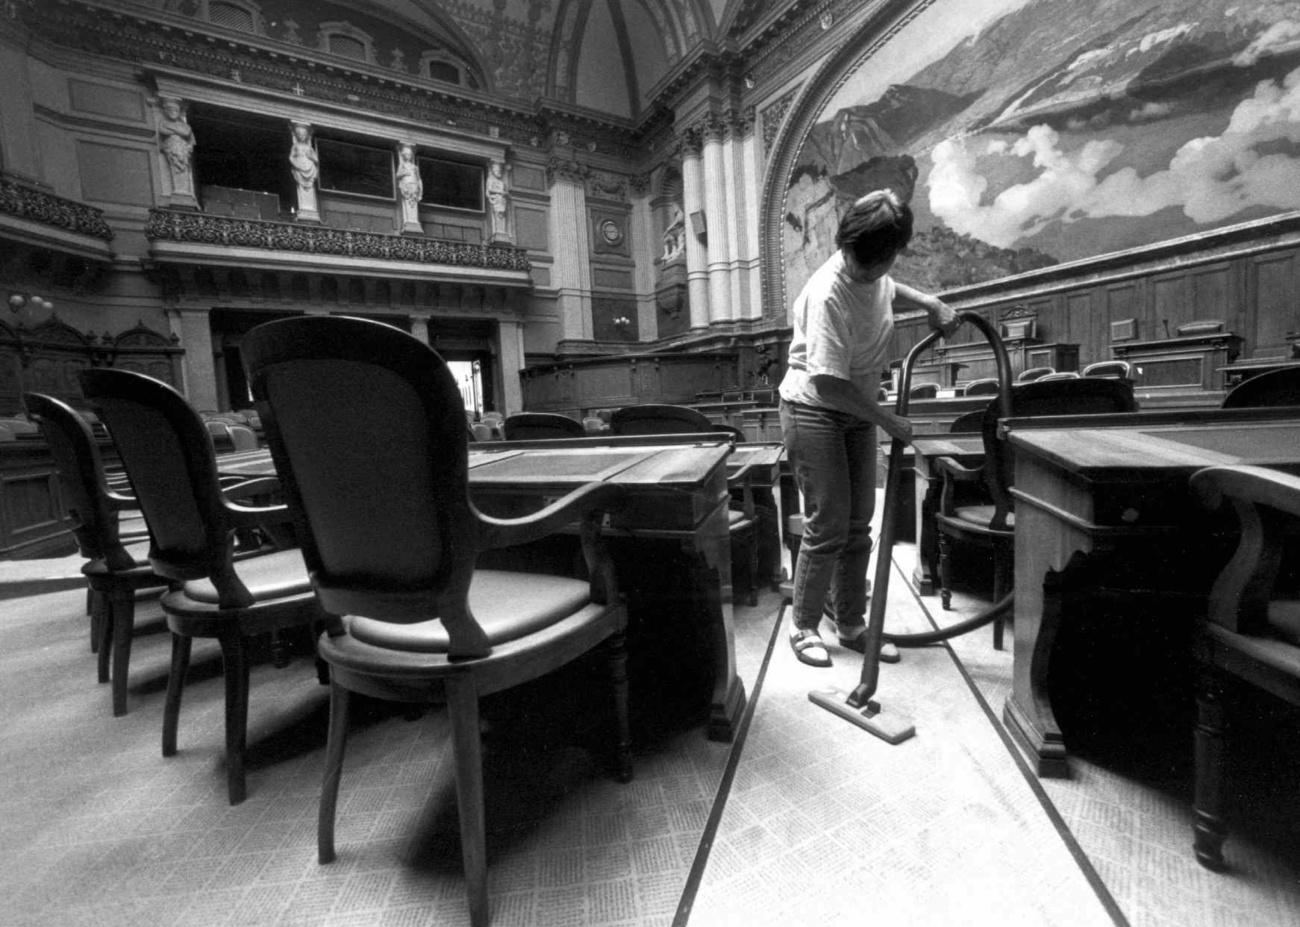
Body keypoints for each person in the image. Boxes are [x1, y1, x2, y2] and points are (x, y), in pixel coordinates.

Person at [780, 189, 960, 667]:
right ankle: (803, 626)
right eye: (858, 260)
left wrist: (929, 301)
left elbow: (887, 287)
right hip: (815, 406)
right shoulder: (827, 293)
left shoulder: (878, 268)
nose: (865, 271)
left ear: (893, 252)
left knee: (860, 520)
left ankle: (852, 622)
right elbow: (827, 383)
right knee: (829, 521)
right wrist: (887, 420)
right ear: (848, 243)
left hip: (854, 406)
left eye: (878, 262)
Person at [486, 160, 509, 239]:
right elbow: (489, 189)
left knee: (502, 213)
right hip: (496, 199)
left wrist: (503, 193)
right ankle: (498, 230)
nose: (499, 172)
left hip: (501, 200)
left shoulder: (501, 182)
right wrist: (500, 192)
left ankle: (501, 230)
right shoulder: (490, 179)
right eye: (497, 170)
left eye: (500, 170)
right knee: (498, 213)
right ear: (493, 170)